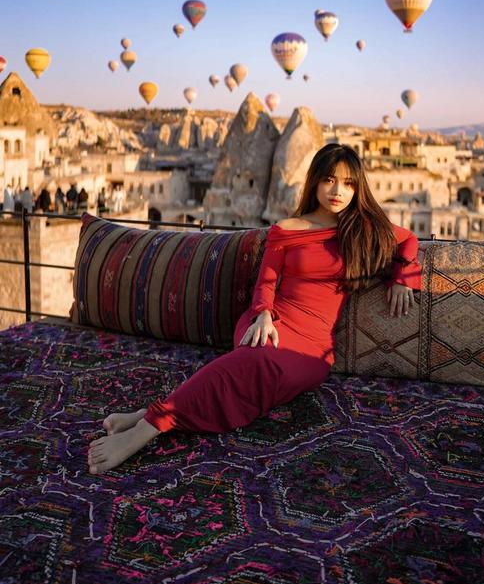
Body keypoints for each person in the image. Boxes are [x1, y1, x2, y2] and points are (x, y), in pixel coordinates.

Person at [88, 143, 422, 475]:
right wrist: (263, 313)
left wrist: (404, 278)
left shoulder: (361, 228)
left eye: (349, 183)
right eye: (329, 180)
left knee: (251, 370)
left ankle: (147, 414)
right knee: (249, 361)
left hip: (314, 345)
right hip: (271, 319)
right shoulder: (287, 230)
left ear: (358, 187)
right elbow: (267, 280)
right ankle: (146, 430)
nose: (338, 191)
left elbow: (408, 240)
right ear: (316, 181)